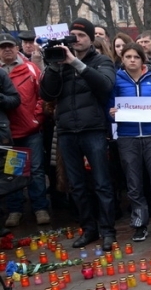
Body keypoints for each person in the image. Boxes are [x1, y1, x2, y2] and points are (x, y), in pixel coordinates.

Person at [39, 18, 116, 250]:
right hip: (66, 131)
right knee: (77, 185)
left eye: (82, 35)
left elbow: (105, 85)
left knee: (102, 183)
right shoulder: (59, 63)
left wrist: (75, 63)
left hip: (93, 129)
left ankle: (108, 231)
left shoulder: (101, 60)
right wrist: (54, 65)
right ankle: (89, 229)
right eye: (73, 35)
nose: (77, 39)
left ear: (92, 39)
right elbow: (46, 93)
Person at [108, 44, 151, 241]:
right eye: (128, 56)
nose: (132, 60)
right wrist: (112, 115)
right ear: (122, 59)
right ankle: (139, 223)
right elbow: (109, 109)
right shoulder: (116, 80)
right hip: (127, 137)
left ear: (143, 59)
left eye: (136, 56)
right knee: (133, 183)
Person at [0, 34, 46, 226]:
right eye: (3, 47)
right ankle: (15, 210)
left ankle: (41, 208)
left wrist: (37, 116)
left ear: (17, 47)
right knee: (13, 172)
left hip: (30, 129)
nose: (7, 50)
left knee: (36, 170)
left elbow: (42, 95)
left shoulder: (30, 68)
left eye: (10, 46)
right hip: (8, 133)